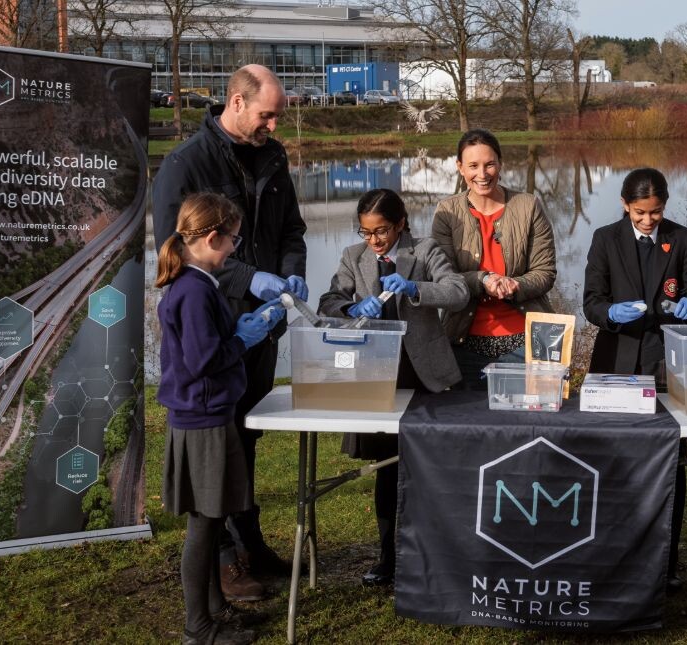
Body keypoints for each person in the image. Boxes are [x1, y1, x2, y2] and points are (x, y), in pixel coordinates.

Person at [152, 64, 306, 597]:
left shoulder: (273, 157)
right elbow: (174, 249)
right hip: (215, 328)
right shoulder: (184, 165)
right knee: (217, 442)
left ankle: (249, 541)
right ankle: (221, 560)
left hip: (262, 326)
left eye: (277, 116)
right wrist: (248, 279)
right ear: (236, 103)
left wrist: (290, 277)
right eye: (267, 114)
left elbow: (292, 229)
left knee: (246, 438)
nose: (273, 124)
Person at [316, 188, 468, 586]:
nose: (374, 240)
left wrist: (415, 289)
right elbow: (328, 300)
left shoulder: (426, 249)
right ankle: (389, 555)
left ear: (400, 223)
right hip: (376, 375)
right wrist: (350, 308)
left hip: (422, 375)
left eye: (381, 231)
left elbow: (457, 292)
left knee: (426, 465)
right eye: (366, 232)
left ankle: (436, 553)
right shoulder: (353, 256)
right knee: (387, 468)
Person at [156, 193, 285, 645]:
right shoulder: (193, 291)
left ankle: (214, 610)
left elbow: (207, 343)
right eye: (233, 240)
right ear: (212, 238)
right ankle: (199, 629)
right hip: (202, 419)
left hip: (206, 414)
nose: (234, 249)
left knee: (211, 521)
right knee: (204, 526)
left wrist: (245, 325)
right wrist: (243, 340)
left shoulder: (197, 283)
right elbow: (203, 360)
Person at [581, 167, 687, 592]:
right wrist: (610, 314)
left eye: (655, 212)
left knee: (671, 460)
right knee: (612, 459)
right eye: (640, 212)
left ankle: (667, 561)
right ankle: (611, 556)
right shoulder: (605, 239)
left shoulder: (682, 238)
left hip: (665, 365)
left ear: (664, 206)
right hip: (615, 363)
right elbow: (591, 302)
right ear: (624, 205)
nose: (648, 220)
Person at [431, 129, 556, 388]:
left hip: (528, 343)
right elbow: (444, 279)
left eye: (489, 164)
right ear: (460, 167)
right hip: (463, 345)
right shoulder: (446, 212)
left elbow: (545, 272)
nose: (482, 174)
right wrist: (483, 280)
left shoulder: (528, 206)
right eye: (473, 166)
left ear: (500, 163)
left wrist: (516, 285)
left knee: (532, 413)